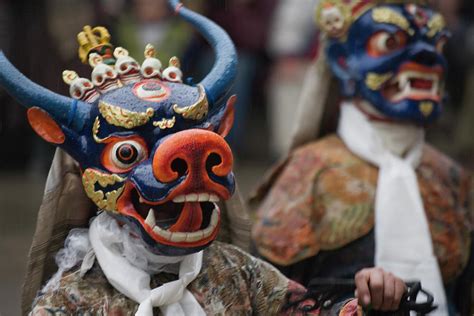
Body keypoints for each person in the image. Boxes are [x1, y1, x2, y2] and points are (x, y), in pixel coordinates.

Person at [0, 1, 410, 315]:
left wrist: (369, 303)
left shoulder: (237, 271)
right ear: (85, 169)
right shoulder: (70, 299)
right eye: (127, 153)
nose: (186, 167)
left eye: (190, 140)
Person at [252, 0, 473, 315]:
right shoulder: (307, 171)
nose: (425, 56)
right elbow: (266, 294)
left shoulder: (449, 176)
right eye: (389, 43)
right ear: (342, 60)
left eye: (434, 42)